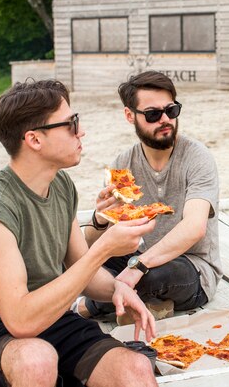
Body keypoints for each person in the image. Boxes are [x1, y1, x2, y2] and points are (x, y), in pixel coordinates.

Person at [0, 79, 159, 387]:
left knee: (136, 369)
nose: (81, 131)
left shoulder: (61, 185)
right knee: (37, 360)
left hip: (55, 318)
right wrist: (104, 249)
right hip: (1, 330)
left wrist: (118, 289)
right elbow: (20, 319)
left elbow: (80, 266)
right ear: (34, 140)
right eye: (71, 123)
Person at [77, 70, 221, 322]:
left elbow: (194, 228)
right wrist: (100, 218)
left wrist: (139, 267)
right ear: (130, 115)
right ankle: (148, 304)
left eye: (172, 111)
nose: (165, 119)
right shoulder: (122, 164)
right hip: (139, 257)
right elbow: (94, 244)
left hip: (191, 267)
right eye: (153, 114)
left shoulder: (197, 157)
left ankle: (86, 308)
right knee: (82, 265)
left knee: (152, 276)